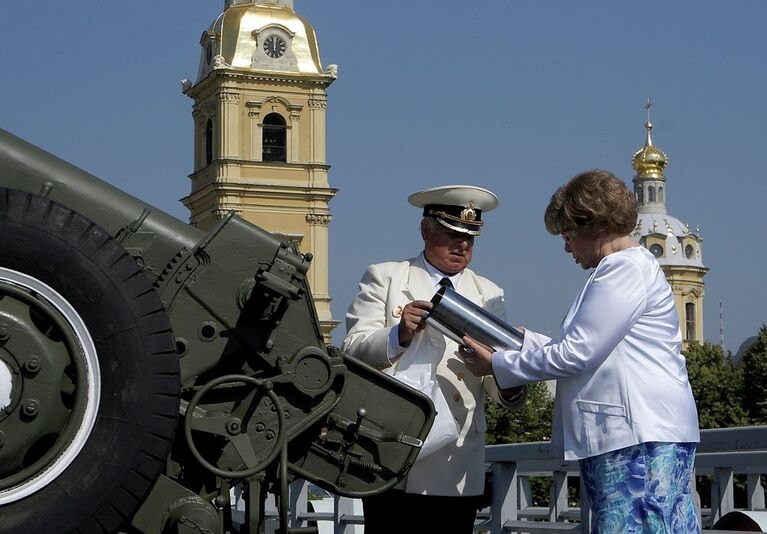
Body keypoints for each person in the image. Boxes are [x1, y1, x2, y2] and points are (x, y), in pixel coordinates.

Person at [460, 169, 700, 533]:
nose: (567, 247)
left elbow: (578, 353)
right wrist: (522, 341)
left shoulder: (622, 270)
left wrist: (497, 364)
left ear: (593, 227)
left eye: (569, 235)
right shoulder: (628, 269)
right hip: (643, 434)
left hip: (637, 440)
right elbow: (594, 349)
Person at [343, 185, 525, 534]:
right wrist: (399, 335)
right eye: (453, 234)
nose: (462, 245)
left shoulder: (490, 293)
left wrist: (509, 379)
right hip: (391, 455)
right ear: (426, 230)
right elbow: (352, 350)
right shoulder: (386, 277)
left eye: (470, 238)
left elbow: (498, 379)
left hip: (455, 460)